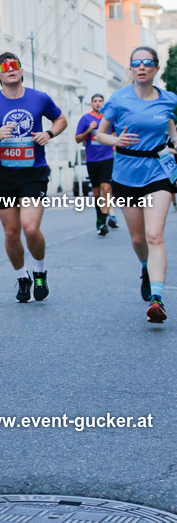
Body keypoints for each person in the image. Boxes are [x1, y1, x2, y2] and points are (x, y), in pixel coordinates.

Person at [0, 53, 67, 303]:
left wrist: (49, 133)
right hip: (4, 174)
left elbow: (60, 119)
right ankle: (22, 277)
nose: (11, 70)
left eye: (14, 66)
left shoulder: (39, 98)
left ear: (21, 71)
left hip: (33, 172)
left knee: (30, 227)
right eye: (5, 67)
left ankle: (40, 272)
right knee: (12, 232)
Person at [96, 46, 177, 324]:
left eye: (147, 62)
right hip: (125, 174)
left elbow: (171, 130)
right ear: (130, 69)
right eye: (136, 63)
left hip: (158, 172)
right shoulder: (118, 99)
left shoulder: (168, 99)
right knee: (139, 239)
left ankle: (157, 299)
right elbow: (100, 134)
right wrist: (116, 140)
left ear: (156, 69)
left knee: (154, 235)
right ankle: (145, 268)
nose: (141, 67)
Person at [75, 94, 117, 236]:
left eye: (100, 101)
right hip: (92, 159)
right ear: (91, 104)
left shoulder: (109, 118)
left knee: (106, 188)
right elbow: (77, 138)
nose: (98, 103)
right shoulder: (85, 119)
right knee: (97, 192)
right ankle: (99, 215)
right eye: (95, 101)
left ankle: (104, 221)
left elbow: (115, 134)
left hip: (107, 157)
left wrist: (112, 140)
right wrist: (88, 130)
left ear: (103, 103)